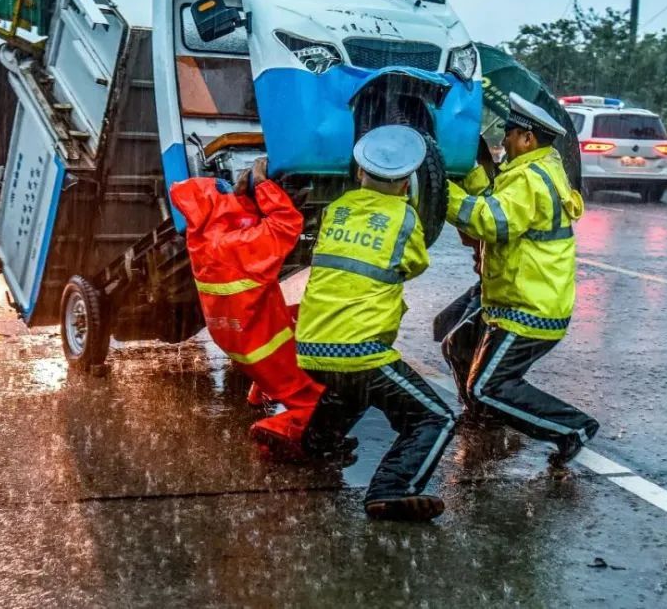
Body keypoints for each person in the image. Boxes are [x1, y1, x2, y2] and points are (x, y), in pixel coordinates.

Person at [297, 125, 455, 522]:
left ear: (359, 172)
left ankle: (316, 445)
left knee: (348, 389)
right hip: (360, 349)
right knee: (436, 417)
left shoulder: (337, 208)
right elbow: (415, 264)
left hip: (311, 346)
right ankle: (390, 488)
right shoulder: (404, 218)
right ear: (405, 183)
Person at [445, 92, 599, 468]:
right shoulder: (532, 170)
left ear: (528, 138)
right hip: (511, 300)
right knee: (459, 345)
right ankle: (487, 415)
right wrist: (468, 169)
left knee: (489, 384)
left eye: (509, 134)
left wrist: (442, 192)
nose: (504, 141)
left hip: (529, 308)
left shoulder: (531, 179)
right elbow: (494, 199)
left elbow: (491, 221)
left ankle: (573, 428)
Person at [169, 157, 326, 455]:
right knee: (314, 400)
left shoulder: (201, 239)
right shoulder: (236, 246)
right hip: (262, 341)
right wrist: (264, 186)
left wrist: (245, 198)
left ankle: (263, 389)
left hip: (237, 334)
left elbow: (232, 220)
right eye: (225, 193)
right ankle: (275, 430)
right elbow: (286, 225)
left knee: (303, 315)